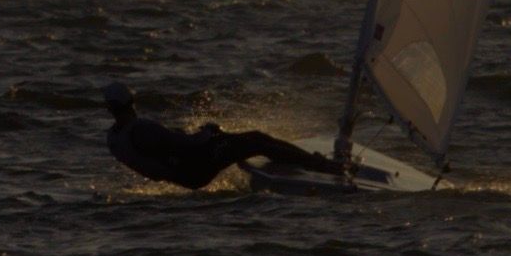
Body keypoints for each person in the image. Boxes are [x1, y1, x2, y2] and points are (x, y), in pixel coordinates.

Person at [101, 81, 339, 189]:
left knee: (251, 141)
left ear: (110, 108)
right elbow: (185, 144)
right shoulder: (142, 129)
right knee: (256, 140)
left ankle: (308, 161)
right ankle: (320, 165)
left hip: (185, 175)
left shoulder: (114, 139)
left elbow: (160, 156)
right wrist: (206, 132)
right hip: (195, 165)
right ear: (132, 101)